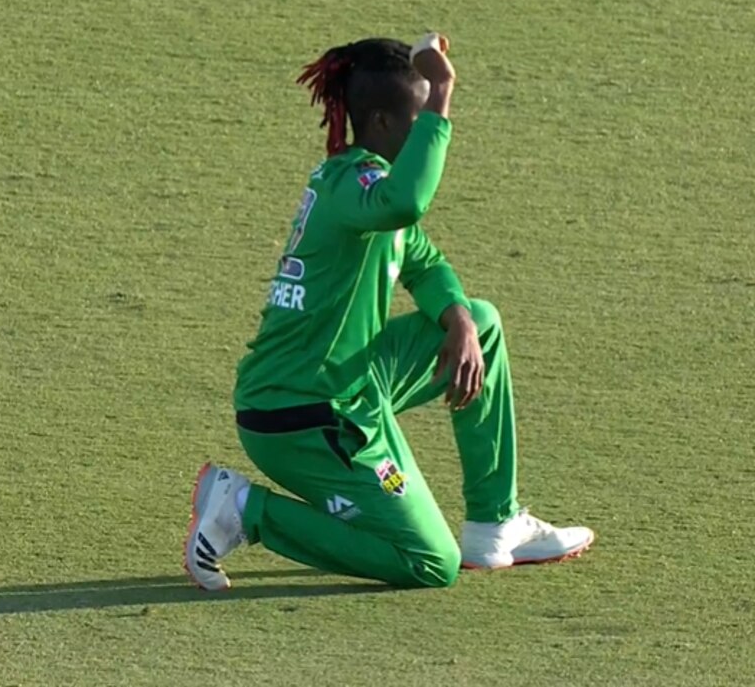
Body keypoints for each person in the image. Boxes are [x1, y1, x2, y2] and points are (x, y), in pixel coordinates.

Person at [184, 34, 594, 591]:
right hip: (305, 416)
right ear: (379, 122)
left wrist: (460, 319)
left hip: (347, 385)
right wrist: (444, 92)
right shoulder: (355, 185)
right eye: (419, 119)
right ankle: (245, 509)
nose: (429, 129)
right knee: (429, 563)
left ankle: (494, 522)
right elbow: (407, 202)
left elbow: (422, 262)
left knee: (483, 322)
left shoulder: (363, 183)